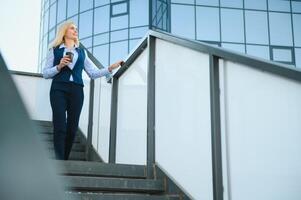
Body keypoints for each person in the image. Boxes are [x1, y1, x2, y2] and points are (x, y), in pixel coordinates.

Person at [43, 21, 123, 160]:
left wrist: (110, 68)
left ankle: (64, 159)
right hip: (58, 89)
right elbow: (45, 74)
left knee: (72, 128)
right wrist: (59, 66)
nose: (75, 31)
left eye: (76, 29)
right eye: (72, 28)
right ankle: (59, 160)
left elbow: (92, 73)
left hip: (77, 91)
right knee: (60, 125)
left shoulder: (81, 52)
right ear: (64, 31)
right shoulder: (54, 50)